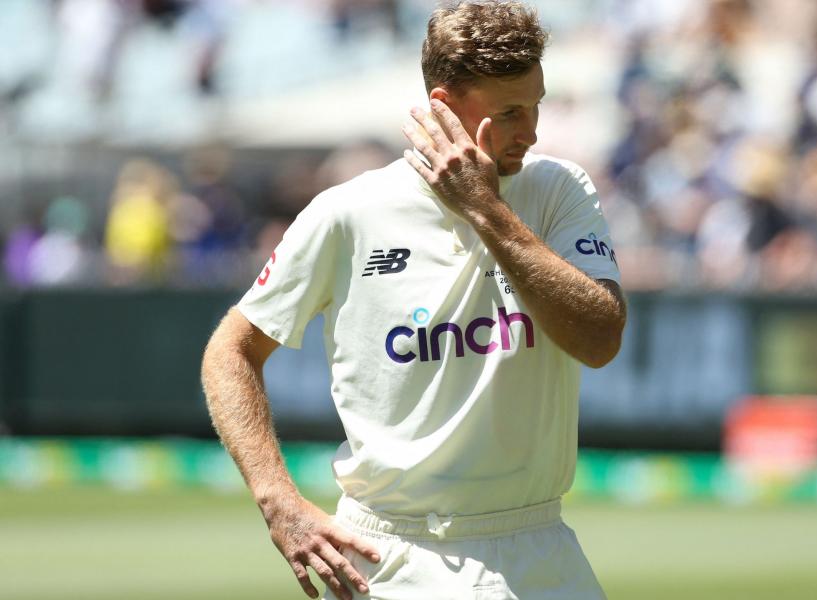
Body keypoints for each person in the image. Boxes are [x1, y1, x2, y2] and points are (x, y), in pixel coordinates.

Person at [201, 2, 626, 598]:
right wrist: (280, 502)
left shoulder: (559, 190)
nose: (531, 132)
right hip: (397, 554)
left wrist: (486, 211)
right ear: (445, 108)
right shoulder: (348, 212)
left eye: (536, 105)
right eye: (509, 113)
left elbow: (600, 338)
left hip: (542, 548)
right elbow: (231, 350)